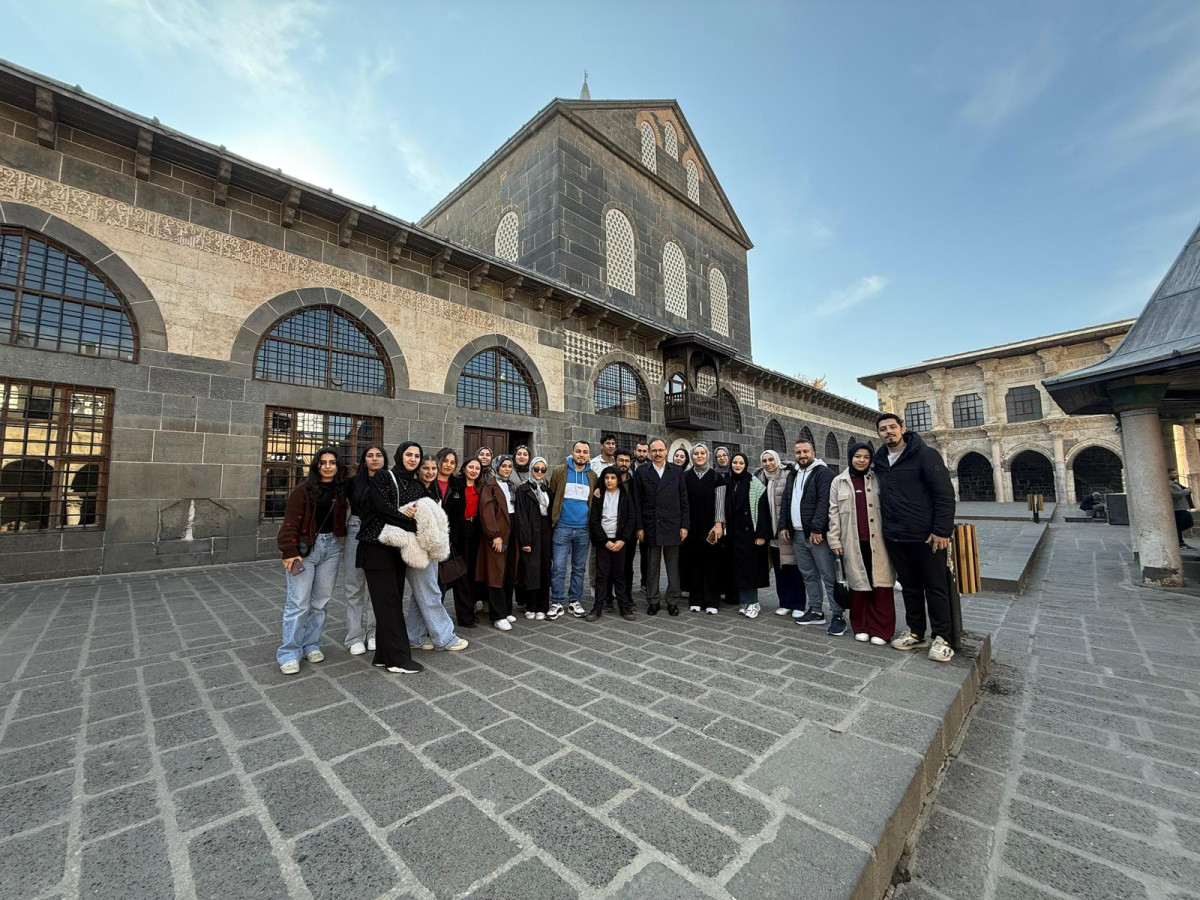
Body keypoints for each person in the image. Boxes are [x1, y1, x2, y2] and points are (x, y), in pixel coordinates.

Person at [873, 413, 956, 663]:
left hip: (926, 536)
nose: (889, 432)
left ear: (903, 429)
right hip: (896, 536)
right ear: (878, 434)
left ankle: (943, 637)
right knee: (909, 587)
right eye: (883, 429)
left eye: (892, 427)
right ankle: (917, 632)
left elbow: (944, 494)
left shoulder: (925, 455)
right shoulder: (880, 460)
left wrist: (942, 530)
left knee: (935, 586)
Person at [349, 444, 422, 674]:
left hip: (398, 549)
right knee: (388, 603)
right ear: (400, 456)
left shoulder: (417, 484)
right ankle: (397, 659)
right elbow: (383, 509)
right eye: (409, 454)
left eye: (416, 456)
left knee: (390, 601)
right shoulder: (383, 477)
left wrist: (414, 518)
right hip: (376, 547)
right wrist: (409, 519)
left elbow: (424, 512)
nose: (413, 459)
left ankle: (382, 654)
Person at [276, 447, 348, 674]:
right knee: (298, 603)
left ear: (338, 466)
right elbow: (289, 522)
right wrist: (288, 550)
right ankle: (289, 652)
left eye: (332, 462)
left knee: (321, 602)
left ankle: (312, 644)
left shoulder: (340, 490)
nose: (327, 466)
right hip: (305, 550)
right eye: (323, 462)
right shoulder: (303, 490)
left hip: (332, 548)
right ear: (316, 465)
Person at [394, 443, 467, 653]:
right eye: (426, 468)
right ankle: (444, 638)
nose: (430, 472)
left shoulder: (433, 489)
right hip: (418, 549)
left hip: (431, 548)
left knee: (421, 595)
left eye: (433, 469)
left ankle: (415, 636)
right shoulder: (414, 489)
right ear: (419, 470)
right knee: (431, 593)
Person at [828, 442, 896, 645]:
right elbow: (833, 514)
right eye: (858, 456)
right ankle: (861, 625)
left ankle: (881, 629)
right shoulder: (838, 482)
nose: (861, 460)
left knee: (881, 586)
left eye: (866, 457)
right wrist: (834, 540)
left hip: (879, 542)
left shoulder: (878, 479)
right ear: (850, 457)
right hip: (851, 542)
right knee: (858, 586)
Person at [780, 438, 843, 635]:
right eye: (798, 452)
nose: (802, 455)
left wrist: (817, 529)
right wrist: (784, 525)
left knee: (828, 575)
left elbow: (824, 502)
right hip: (798, 534)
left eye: (805, 451)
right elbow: (786, 500)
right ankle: (816, 610)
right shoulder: (793, 474)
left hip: (816, 536)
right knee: (808, 575)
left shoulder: (823, 473)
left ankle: (838, 615)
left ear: (813, 452)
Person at [632, 438, 689, 616]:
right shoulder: (642, 472)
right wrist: (639, 527)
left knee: (673, 566)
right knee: (652, 566)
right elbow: (637, 502)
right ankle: (653, 600)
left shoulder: (677, 471)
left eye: (660, 450)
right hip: (651, 524)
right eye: (654, 450)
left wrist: (684, 525)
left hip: (672, 523)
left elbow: (684, 501)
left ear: (666, 451)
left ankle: (672, 600)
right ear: (649, 452)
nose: (657, 453)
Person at [548, 441, 597, 619]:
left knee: (579, 568)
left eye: (585, 452)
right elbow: (553, 493)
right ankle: (557, 602)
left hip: (583, 529)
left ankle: (574, 601)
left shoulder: (592, 476)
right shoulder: (560, 471)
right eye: (578, 451)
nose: (581, 455)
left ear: (589, 455)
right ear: (572, 453)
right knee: (559, 567)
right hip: (562, 527)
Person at [433, 449, 476, 629]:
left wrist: (453, 538)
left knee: (442, 580)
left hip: (450, 540)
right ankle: (429, 621)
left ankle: (437, 622)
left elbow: (459, 515)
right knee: (429, 583)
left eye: (452, 462)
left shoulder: (458, 485)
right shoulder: (429, 483)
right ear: (438, 461)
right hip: (429, 539)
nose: (448, 465)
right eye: (445, 461)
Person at [587, 465, 636, 620]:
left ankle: (624, 607)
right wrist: (605, 541)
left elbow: (630, 520)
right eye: (606, 478)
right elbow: (594, 521)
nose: (609, 481)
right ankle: (597, 607)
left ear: (618, 480)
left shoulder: (625, 496)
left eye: (613, 478)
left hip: (619, 541)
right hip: (603, 541)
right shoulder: (598, 496)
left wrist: (623, 540)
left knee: (619, 574)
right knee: (601, 575)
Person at [725, 452, 772, 616]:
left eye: (741, 463)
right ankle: (745, 601)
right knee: (739, 569)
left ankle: (753, 602)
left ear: (746, 465)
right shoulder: (728, 482)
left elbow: (763, 510)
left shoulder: (754, 483)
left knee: (750, 570)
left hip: (750, 534)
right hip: (734, 534)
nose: (737, 466)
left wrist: (761, 534)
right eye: (735, 463)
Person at [759, 450, 805, 617]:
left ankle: (798, 604)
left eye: (771, 459)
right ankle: (784, 602)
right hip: (772, 533)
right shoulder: (760, 477)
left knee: (793, 568)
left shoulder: (788, 474)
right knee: (780, 570)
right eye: (764, 460)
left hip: (787, 531)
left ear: (777, 460)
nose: (768, 463)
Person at [681, 443, 725, 615]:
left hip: (711, 529)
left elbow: (720, 502)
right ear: (692, 456)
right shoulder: (685, 477)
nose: (699, 456)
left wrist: (719, 524)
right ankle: (695, 599)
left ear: (707, 456)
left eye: (702, 453)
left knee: (712, 563)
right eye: (696, 453)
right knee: (694, 563)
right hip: (691, 528)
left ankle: (712, 600)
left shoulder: (716, 478)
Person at [477, 455, 519, 631]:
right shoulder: (490, 486)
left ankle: (507, 609)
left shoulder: (512, 486)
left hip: (512, 529)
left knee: (509, 571)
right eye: (504, 466)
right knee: (496, 573)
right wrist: (494, 535)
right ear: (497, 467)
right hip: (498, 533)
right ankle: (497, 615)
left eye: (510, 466)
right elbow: (487, 512)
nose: (507, 469)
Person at [342, 453, 377, 657]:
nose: (374, 459)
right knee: (354, 586)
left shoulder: (388, 481)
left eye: (378, 455)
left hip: (379, 533)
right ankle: (354, 636)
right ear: (364, 460)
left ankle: (373, 632)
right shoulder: (353, 482)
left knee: (375, 587)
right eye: (370, 456)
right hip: (355, 530)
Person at [515, 456, 553, 620]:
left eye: (542, 469)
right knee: (530, 569)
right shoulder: (522, 490)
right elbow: (521, 516)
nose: (539, 472)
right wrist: (525, 540)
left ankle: (542, 606)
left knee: (544, 568)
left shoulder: (547, 489)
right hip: (531, 531)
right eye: (536, 469)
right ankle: (530, 605)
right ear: (531, 469)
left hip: (545, 531)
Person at [460, 457, 486, 620]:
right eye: (471, 467)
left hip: (476, 530)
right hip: (461, 530)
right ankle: (464, 613)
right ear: (464, 468)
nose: (474, 470)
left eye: (477, 468)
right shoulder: (457, 485)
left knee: (472, 572)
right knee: (462, 573)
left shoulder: (481, 488)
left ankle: (471, 607)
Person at [1168, 468, 1194, 549]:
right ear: (1168, 474)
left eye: (1176, 473)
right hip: (1176, 508)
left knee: (1189, 522)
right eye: (1173, 473)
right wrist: (1186, 491)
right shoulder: (1168, 484)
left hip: (1182, 507)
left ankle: (1175, 536)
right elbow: (1173, 494)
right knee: (1180, 525)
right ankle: (1180, 542)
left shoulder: (1175, 483)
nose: (1176, 474)